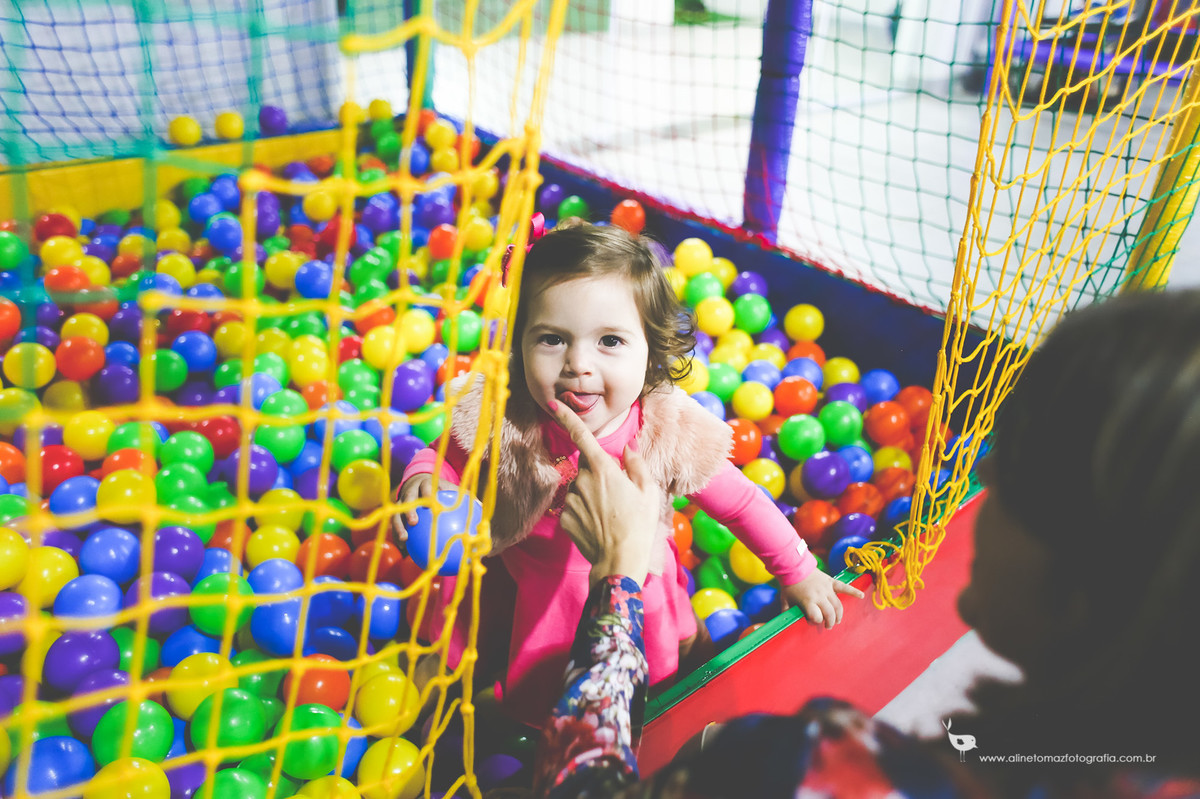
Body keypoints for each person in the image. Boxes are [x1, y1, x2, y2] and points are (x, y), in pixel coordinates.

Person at [533, 290, 1200, 798]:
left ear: (1093, 566)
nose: (986, 475)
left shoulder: (815, 766)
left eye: (1008, 476)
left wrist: (618, 572)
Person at [396, 221, 863, 727]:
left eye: (610, 341)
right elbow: (445, 454)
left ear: (651, 351)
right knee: (541, 707)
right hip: (539, 595)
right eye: (552, 339)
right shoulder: (507, 416)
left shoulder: (664, 431)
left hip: (635, 589)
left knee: (647, 697)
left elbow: (742, 502)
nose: (578, 364)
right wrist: (426, 478)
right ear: (519, 346)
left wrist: (798, 571)